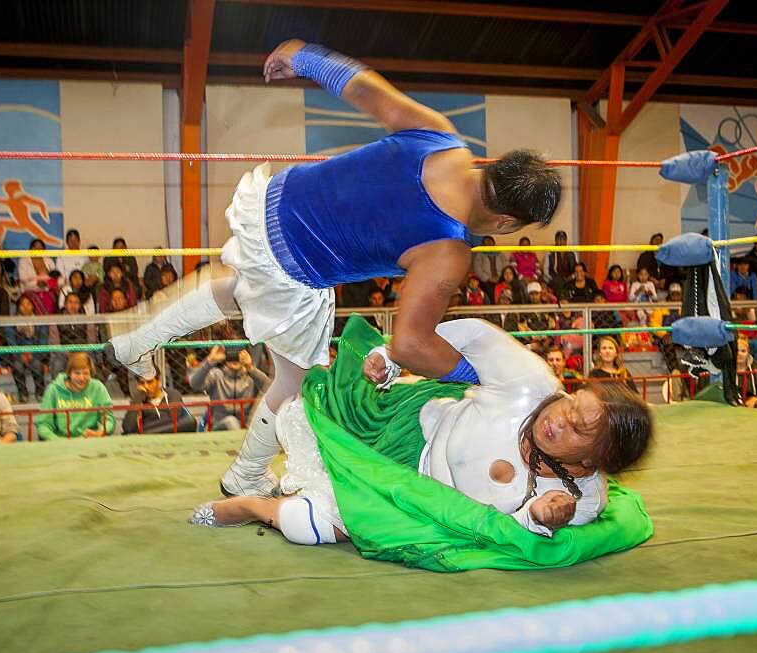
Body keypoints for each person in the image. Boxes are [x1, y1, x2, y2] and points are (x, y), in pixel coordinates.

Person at [107, 39, 561, 498]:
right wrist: (482, 374)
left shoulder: (441, 136)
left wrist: (304, 56)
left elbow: (367, 88)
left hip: (272, 204)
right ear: (506, 222)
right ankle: (245, 475)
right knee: (297, 379)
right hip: (297, 262)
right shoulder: (447, 249)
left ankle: (135, 340)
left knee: (241, 286)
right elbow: (409, 343)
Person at [192, 317, 652, 548]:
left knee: (308, 527)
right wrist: (397, 355)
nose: (559, 418)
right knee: (300, 402)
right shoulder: (531, 382)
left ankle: (257, 506)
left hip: (417, 499)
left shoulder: (582, 497)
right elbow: (474, 333)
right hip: (405, 426)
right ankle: (245, 484)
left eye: (577, 428)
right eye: (572, 405)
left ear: (593, 461)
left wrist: (539, 517)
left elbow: (515, 529)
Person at [36, 353, 116, 440]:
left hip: (89, 441)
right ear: (69, 373)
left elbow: (109, 419)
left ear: (91, 374)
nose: (81, 378)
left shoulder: (98, 388)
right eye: (77, 373)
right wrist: (59, 442)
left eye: (86, 373)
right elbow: (43, 425)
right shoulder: (53, 389)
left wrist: (100, 432)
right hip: (60, 442)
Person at [189, 346, 271, 431]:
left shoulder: (251, 377)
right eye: (231, 356)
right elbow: (194, 384)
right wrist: (210, 361)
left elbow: (270, 389)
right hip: (219, 426)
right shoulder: (217, 375)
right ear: (226, 357)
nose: (234, 359)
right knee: (231, 421)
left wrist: (251, 368)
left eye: (238, 355)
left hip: (247, 427)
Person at [122, 364, 193, 435]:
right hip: (149, 442)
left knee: (190, 422)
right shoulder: (139, 400)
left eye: (150, 382)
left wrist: (144, 427)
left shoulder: (173, 395)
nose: (146, 386)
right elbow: (128, 428)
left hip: (171, 437)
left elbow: (174, 421)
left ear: (158, 380)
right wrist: (137, 398)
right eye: (142, 383)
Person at [5, 295, 48, 403]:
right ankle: (23, 393)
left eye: (28, 304)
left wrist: (32, 354)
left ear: (33, 306)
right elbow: (11, 342)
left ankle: (40, 393)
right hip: (18, 354)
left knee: (37, 365)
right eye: (22, 305)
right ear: (18, 307)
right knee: (17, 366)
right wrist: (21, 354)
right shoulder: (11, 322)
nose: (25, 307)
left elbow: (43, 341)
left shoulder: (40, 322)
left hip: (36, 353)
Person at [542, 229, 576, 294]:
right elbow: (545, 270)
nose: (561, 242)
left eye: (563, 239)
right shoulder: (550, 253)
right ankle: (561, 299)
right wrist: (553, 279)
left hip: (569, 279)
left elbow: (576, 269)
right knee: (558, 282)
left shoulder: (572, 253)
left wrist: (571, 277)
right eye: (559, 239)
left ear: (566, 241)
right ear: (555, 241)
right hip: (553, 278)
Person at [735, 336, 757, 409]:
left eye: (743, 351)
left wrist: (755, 399)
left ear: (748, 352)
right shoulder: (723, 369)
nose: (739, 354)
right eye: (736, 350)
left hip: (754, 409)